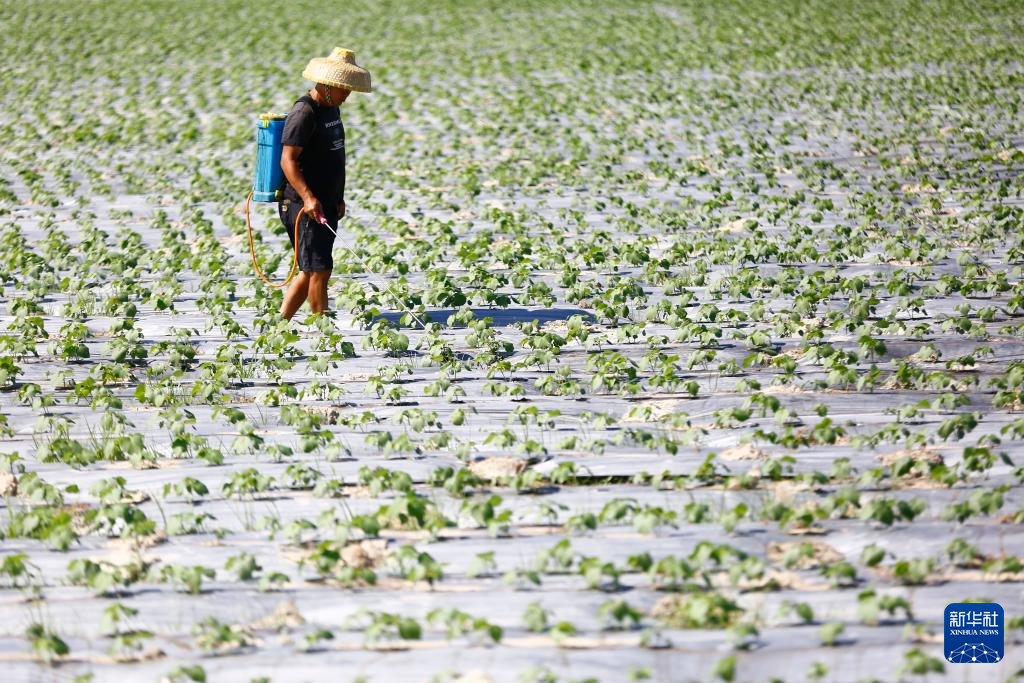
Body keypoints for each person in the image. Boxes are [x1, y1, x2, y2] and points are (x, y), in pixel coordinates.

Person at [278, 47, 371, 320]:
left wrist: (337, 197)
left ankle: (281, 323)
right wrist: (308, 198)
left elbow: (333, 155)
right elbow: (288, 160)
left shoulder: (332, 109)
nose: (348, 94)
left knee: (310, 269)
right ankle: (324, 328)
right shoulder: (304, 113)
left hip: (325, 201)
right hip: (302, 205)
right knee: (320, 269)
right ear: (328, 85)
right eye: (345, 89)